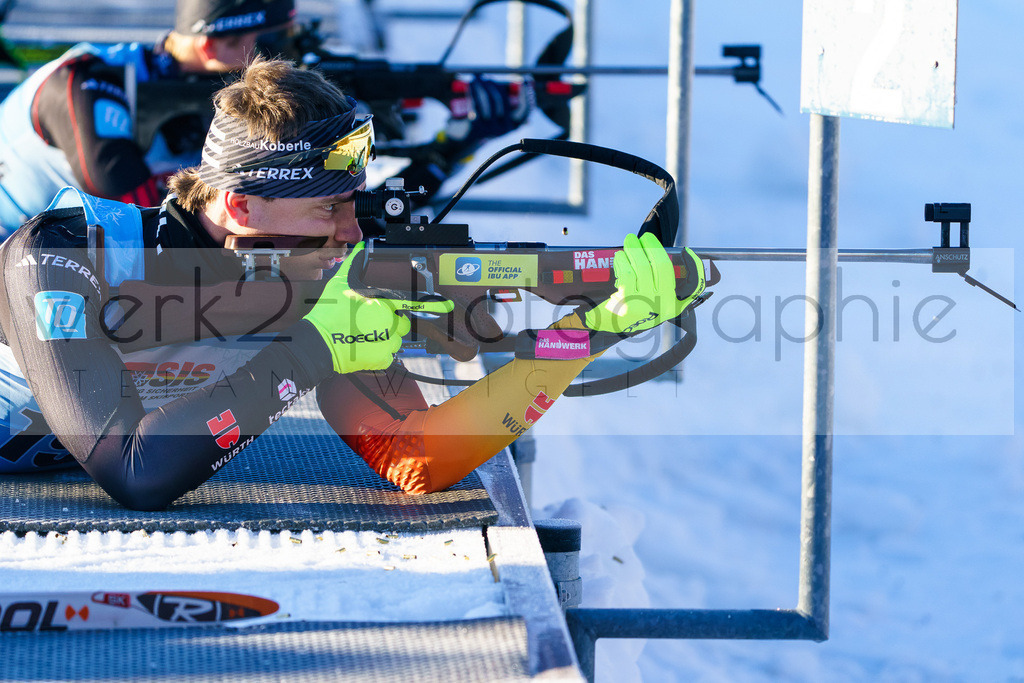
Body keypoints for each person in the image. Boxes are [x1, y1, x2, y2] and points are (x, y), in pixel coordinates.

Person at [0, 57, 704, 511]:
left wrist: (586, 333)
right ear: (240, 206)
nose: (353, 230)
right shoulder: (63, 255)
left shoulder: (311, 276)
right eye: (329, 207)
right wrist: (308, 351)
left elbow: (420, 457)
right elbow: (136, 471)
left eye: (355, 203)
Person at [0, 0, 532, 238]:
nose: (290, 62)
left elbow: (339, 214)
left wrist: (451, 146)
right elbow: (149, 220)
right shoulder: (84, 82)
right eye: (276, 46)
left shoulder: (200, 95)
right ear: (218, 43)